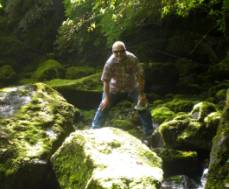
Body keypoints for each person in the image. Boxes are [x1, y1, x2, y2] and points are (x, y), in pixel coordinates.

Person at [91, 41, 153, 138]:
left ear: (125, 50)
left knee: (143, 105)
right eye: (116, 52)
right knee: (103, 106)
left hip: (132, 88)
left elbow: (140, 77)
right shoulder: (109, 63)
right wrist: (106, 98)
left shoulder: (132, 59)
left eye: (121, 51)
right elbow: (105, 81)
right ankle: (94, 131)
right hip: (114, 89)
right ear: (112, 52)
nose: (119, 54)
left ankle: (149, 133)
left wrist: (141, 94)